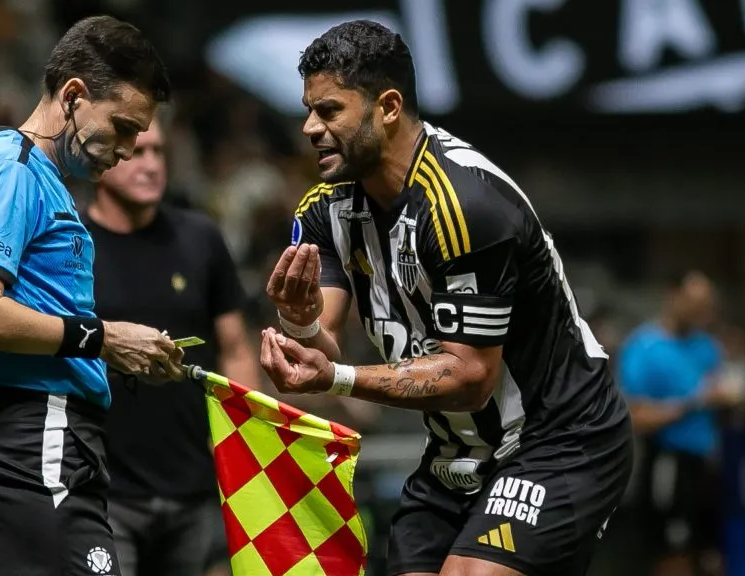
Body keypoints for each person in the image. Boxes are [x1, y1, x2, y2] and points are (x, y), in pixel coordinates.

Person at [258, 20, 634, 576]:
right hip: (456, 454)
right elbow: (326, 350)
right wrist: (304, 325)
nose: (310, 127)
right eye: (308, 109)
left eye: (330, 110)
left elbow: (469, 376)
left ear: (387, 106)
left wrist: (335, 378)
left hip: (559, 441)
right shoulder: (322, 210)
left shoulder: (466, 206)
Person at [0, 15, 182, 576]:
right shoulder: (11, 171)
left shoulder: (44, 181)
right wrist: (103, 339)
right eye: (122, 127)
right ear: (73, 95)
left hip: (45, 444)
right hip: (35, 443)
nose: (127, 150)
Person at [81, 115, 260, 576]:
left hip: (193, 486)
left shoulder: (200, 239)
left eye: (159, 152)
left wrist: (238, 445)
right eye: (138, 152)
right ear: (103, 160)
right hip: (102, 490)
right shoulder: (72, 246)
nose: (152, 165)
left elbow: (236, 347)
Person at [618, 272, 741, 576]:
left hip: (708, 466)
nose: (703, 311)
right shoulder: (643, 348)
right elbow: (634, 417)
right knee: (673, 555)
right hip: (668, 464)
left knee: (712, 557)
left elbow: (721, 402)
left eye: (707, 304)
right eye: (695, 302)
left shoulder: (708, 347)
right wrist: (691, 402)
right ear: (673, 296)